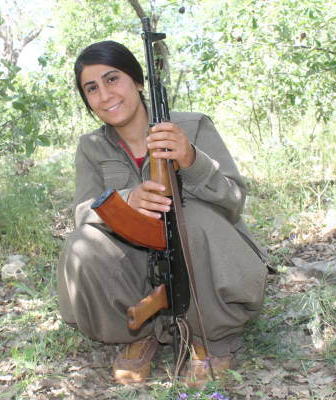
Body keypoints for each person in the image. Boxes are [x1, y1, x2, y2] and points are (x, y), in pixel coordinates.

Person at [57, 40, 271, 386]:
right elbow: (83, 211)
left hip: (204, 258)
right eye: (91, 88)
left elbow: (234, 198)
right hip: (141, 267)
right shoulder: (91, 147)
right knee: (83, 243)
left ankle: (212, 339)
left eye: (112, 79)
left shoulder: (193, 126)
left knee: (192, 218)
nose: (105, 95)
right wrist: (127, 200)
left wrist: (191, 159)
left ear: (138, 82)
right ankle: (137, 334)